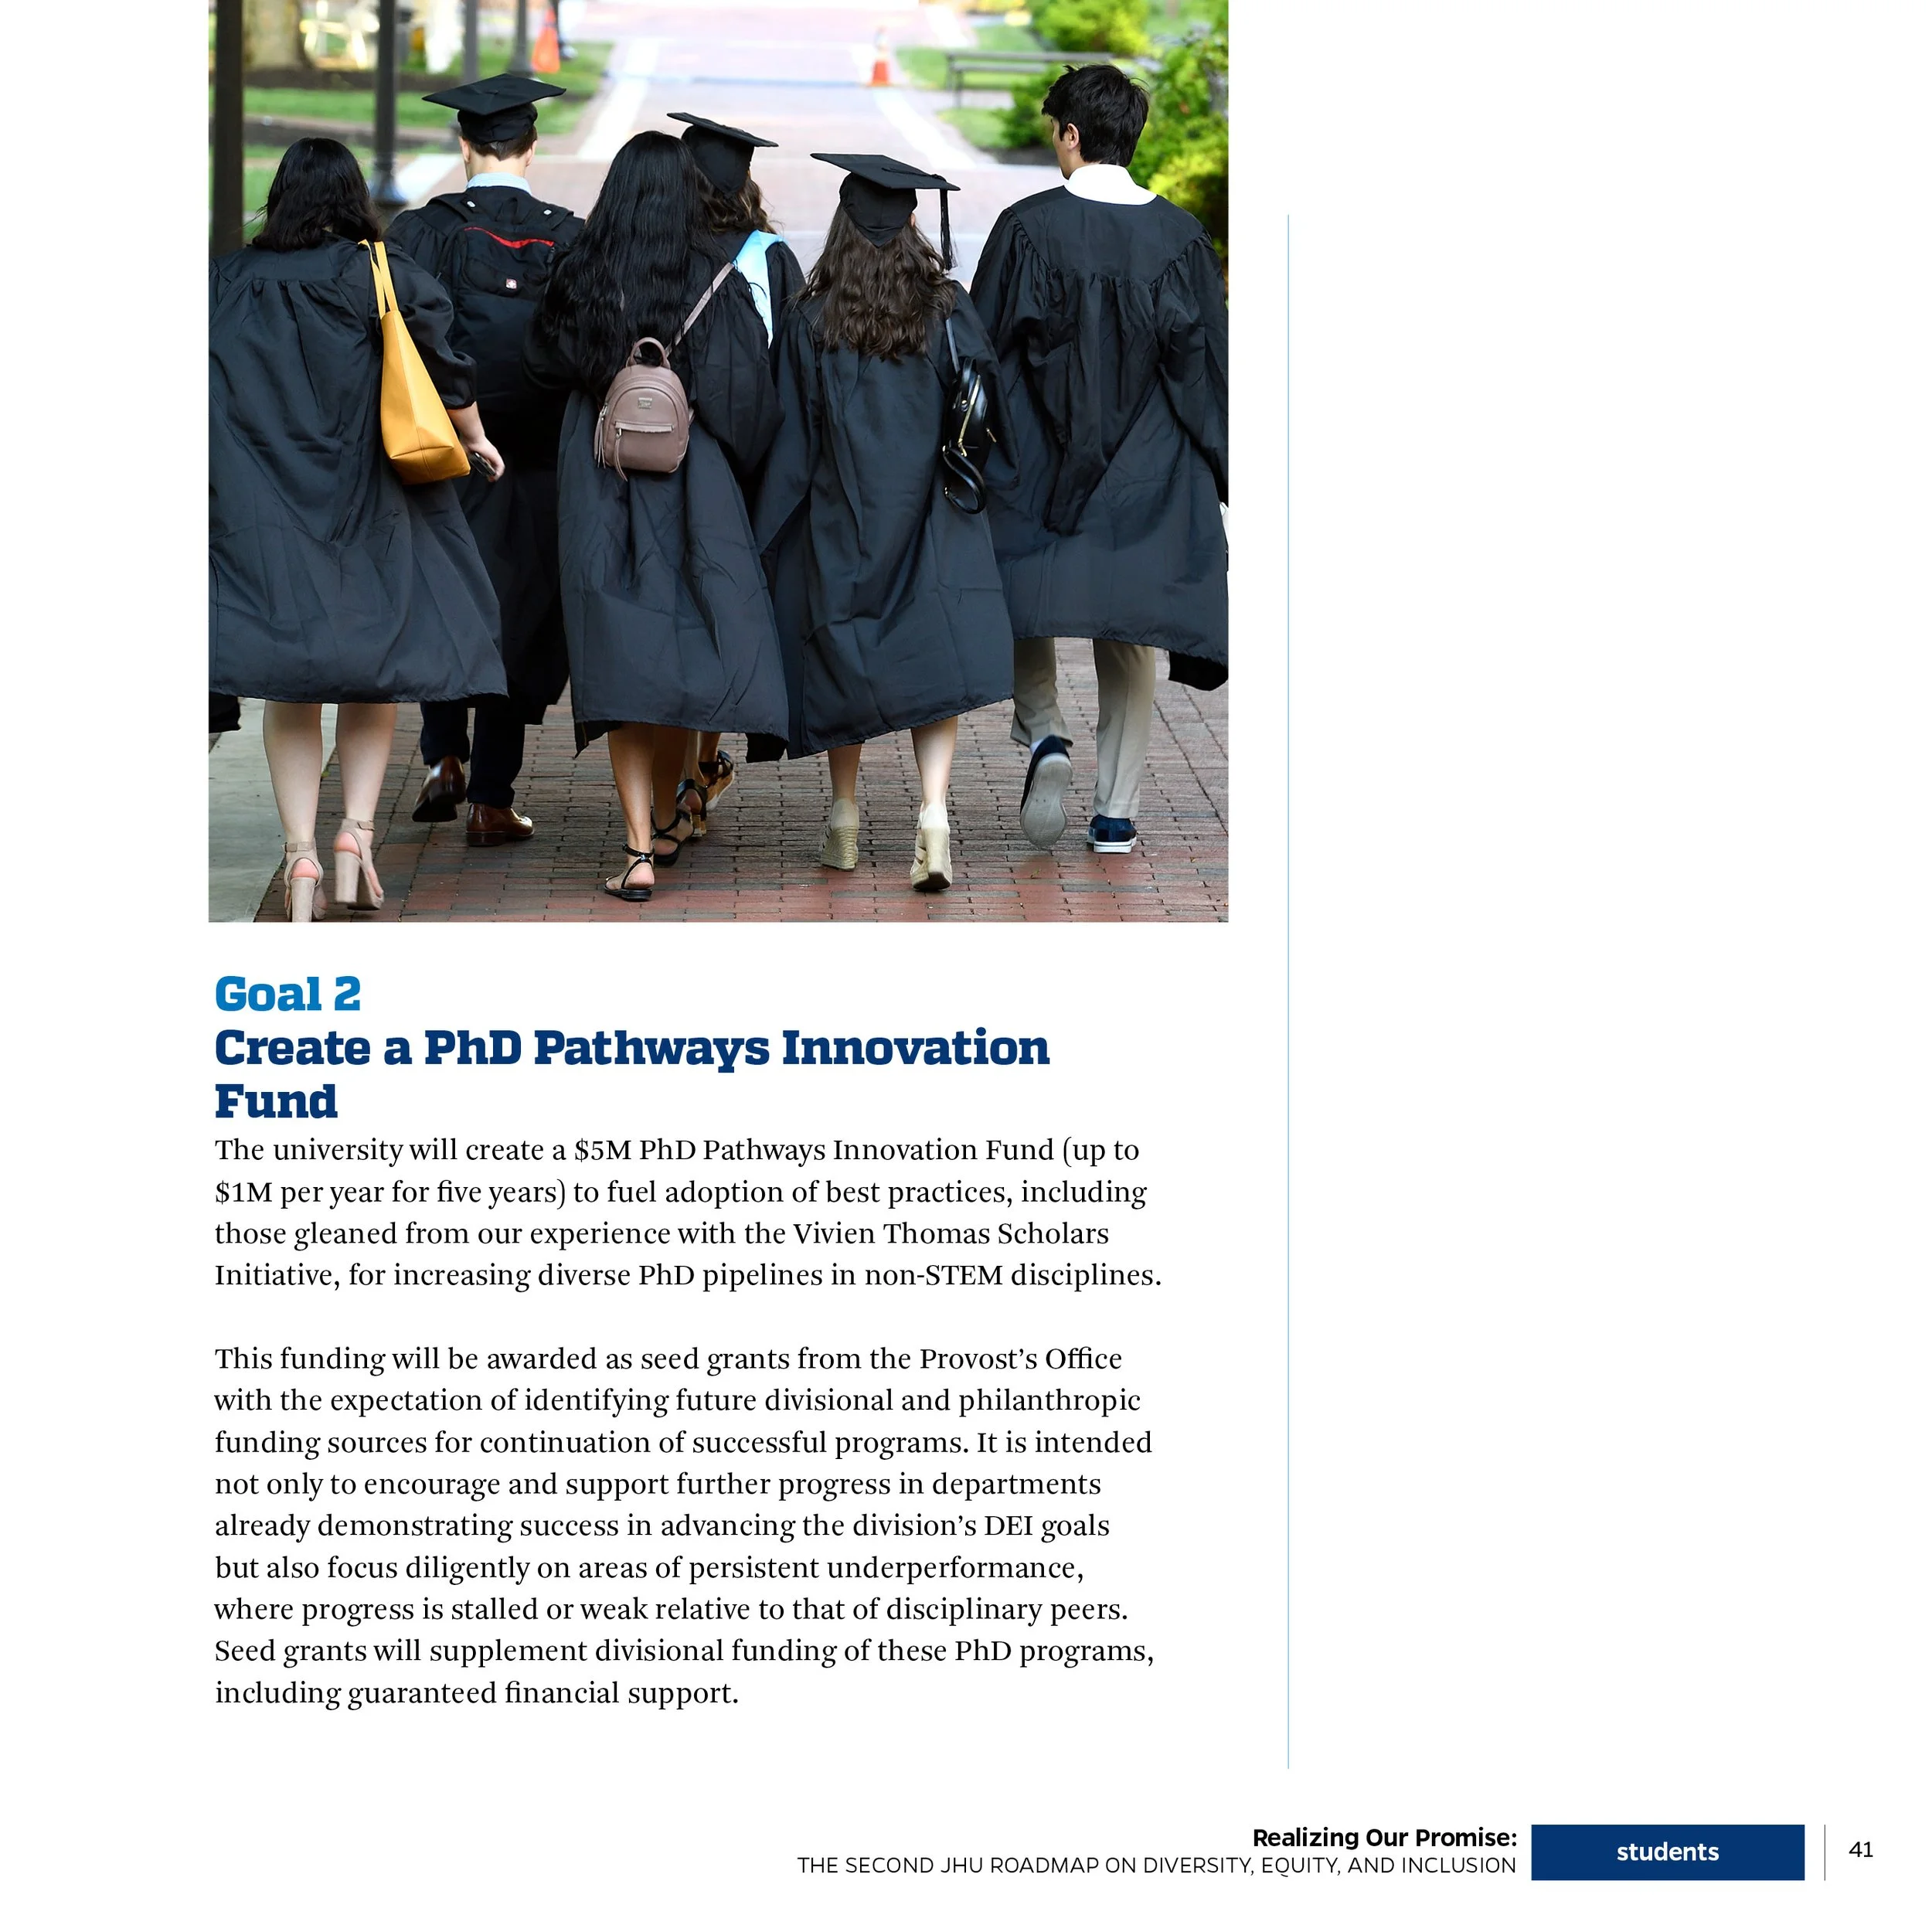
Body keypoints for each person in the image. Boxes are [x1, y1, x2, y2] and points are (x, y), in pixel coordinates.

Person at [209, 138, 505, 922]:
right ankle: (356, 839)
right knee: (378, 667)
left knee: (291, 680)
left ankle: (298, 852)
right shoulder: (379, 271)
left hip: (262, 502)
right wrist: (474, 440)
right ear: (350, 197)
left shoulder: (227, 279)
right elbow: (445, 367)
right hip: (372, 499)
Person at [971, 63, 1229, 856]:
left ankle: (1043, 729)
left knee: (1019, 593)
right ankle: (1115, 812)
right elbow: (1202, 370)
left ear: (1072, 135)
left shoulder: (1024, 226)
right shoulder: (1181, 237)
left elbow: (980, 348)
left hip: (1039, 465)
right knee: (1129, 632)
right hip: (1145, 473)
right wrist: (1223, 468)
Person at [522, 131, 787, 903]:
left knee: (617, 651)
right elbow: (747, 398)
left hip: (597, 468)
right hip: (692, 475)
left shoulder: (581, 269)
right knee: (678, 639)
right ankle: (680, 804)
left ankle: (637, 846)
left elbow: (542, 364)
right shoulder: (714, 274)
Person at [753, 155, 1015, 893]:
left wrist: (763, 530)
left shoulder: (811, 318)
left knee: (844, 659)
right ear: (910, 222)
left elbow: (795, 445)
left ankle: (843, 816)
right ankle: (933, 815)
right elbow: (987, 404)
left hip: (844, 517)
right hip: (934, 514)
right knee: (935, 666)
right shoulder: (946, 307)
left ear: (840, 225)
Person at [387, 74, 586, 848]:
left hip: (441, 451)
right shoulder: (568, 233)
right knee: (521, 613)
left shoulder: (420, 232)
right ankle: (493, 799)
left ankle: (443, 755)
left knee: (445, 597)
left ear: (463, 144)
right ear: (532, 149)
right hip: (536, 458)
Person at [668, 111, 808, 831]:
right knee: (723, 606)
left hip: (657, 457)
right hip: (738, 461)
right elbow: (788, 369)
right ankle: (700, 765)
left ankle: (674, 781)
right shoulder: (768, 256)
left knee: (669, 607)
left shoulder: (653, 246)